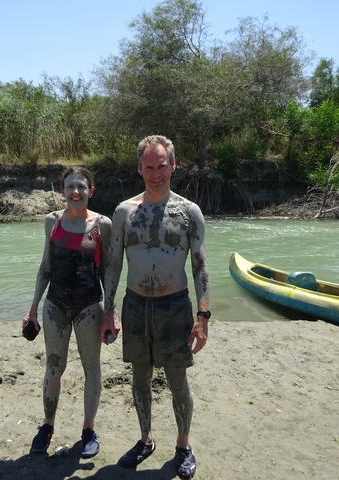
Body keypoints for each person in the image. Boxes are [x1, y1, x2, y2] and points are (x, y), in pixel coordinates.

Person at [100, 135, 210, 479]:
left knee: (178, 380)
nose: (156, 172)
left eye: (162, 165)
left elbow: (200, 266)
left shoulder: (189, 211)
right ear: (139, 168)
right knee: (140, 378)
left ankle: (183, 445)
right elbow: (114, 263)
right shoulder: (124, 211)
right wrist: (109, 309)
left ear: (173, 165)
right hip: (135, 307)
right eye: (149, 166)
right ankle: (146, 439)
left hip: (175, 307)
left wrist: (203, 316)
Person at [23, 166, 112, 459]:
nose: (76, 192)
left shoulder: (103, 224)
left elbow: (107, 271)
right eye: (70, 186)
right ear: (62, 191)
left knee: (92, 369)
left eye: (82, 187)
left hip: (89, 306)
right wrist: (33, 309)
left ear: (91, 191)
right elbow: (45, 267)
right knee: (54, 368)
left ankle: (88, 430)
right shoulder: (52, 222)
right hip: (55, 306)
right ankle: (47, 425)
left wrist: (110, 312)